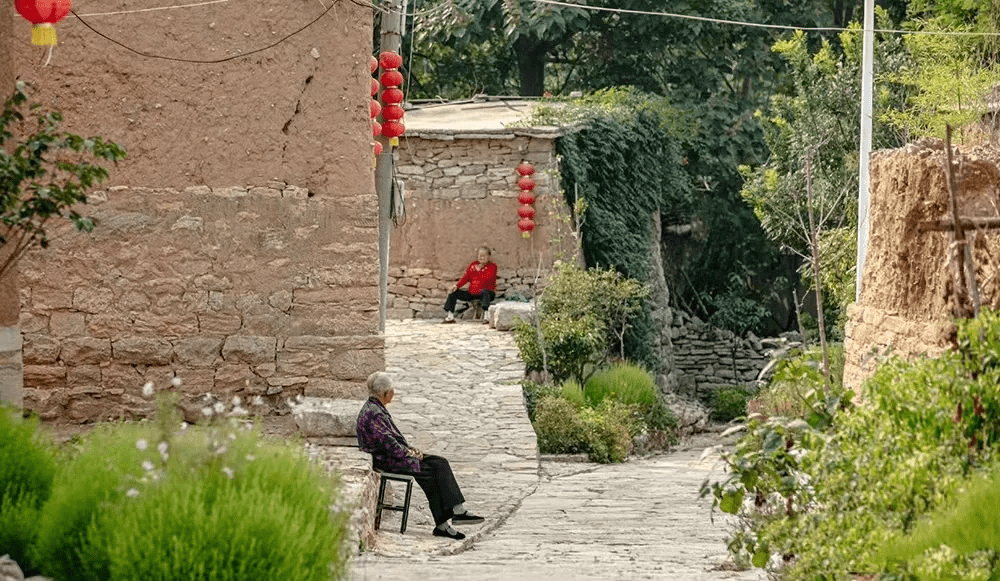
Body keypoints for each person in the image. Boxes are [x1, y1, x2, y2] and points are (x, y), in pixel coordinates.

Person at [356, 371, 485, 540]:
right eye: (391, 391)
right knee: (429, 474)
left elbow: (391, 439)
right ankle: (442, 525)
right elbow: (388, 444)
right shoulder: (375, 413)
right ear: (385, 393)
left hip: (393, 455)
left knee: (440, 462)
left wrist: (412, 450)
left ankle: (457, 511)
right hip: (387, 460)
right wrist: (409, 453)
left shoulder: (376, 407)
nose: (393, 394)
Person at [442, 246, 497, 324]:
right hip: (472, 292)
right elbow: (466, 277)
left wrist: (479, 270)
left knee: (485, 292)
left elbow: (487, 278)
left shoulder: (492, 266)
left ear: (488, 256)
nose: (481, 257)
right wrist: (457, 286)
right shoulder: (473, 265)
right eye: (479, 255)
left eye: (483, 255)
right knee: (453, 293)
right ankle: (450, 316)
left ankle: (486, 317)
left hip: (487, 292)